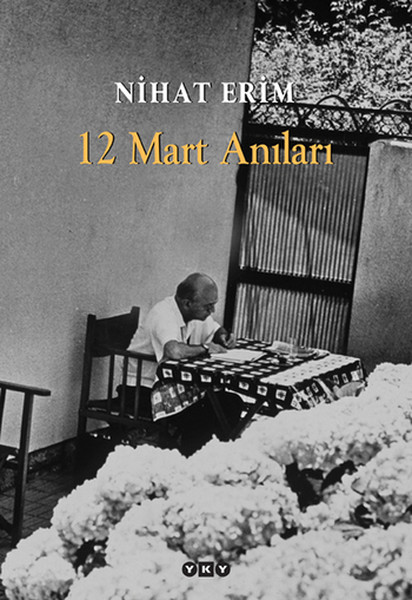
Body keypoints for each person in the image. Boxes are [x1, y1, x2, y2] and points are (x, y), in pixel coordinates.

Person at [125, 273, 243, 454]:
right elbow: (173, 351)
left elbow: (215, 329)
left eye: (213, 305)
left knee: (231, 402)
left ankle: (211, 457)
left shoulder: (194, 313)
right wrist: (205, 348)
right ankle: (191, 460)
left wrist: (223, 336)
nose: (212, 311)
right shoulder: (163, 314)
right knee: (205, 413)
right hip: (142, 391)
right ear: (187, 303)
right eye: (208, 306)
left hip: (173, 387)